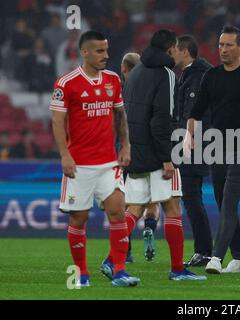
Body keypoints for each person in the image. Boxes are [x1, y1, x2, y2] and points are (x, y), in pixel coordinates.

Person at [184, 25, 240, 274]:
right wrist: (188, 137)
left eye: (229, 45)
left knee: (229, 199)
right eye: (220, 45)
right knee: (223, 201)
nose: (223, 49)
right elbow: (196, 112)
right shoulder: (211, 76)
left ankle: (216, 257)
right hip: (218, 147)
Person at [50, 30, 140, 287]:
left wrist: (126, 146)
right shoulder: (66, 83)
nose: (106, 55)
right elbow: (57, 121)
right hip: (79, 165)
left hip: (108, 163)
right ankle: (82, 274)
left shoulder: (112, 80)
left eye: (106, 50)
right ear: (85, 52)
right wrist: (64, 155)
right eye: (99, 51)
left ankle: (120, 271)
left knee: (118, 212)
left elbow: (120, 115)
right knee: (79, 218)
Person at [118, 29, 206, 281]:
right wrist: (167, 157)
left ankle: (112, 260)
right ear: (169, 49)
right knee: (172, 206)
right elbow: (162, 120)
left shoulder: (135, 73)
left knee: (135, 208)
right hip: (157, 153)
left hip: (135, 150)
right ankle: (178, 269)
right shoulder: (166, 74)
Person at [172, 34, 214, 267]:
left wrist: (185, 144)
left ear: (185, 52)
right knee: (192, 197)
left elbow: (192, 114)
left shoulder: (196, 76)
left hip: (193, 145)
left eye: (176, 50)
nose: (173, 54)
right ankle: (204, 249)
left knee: (191, 197)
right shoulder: (192, 74)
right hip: (193, 144)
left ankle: (204, 250)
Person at [120, 52, 160, 263]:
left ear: (124, 69)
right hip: (148, 154)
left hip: (121, 155)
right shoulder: (151, 90)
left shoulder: (116, 91)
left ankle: (124, 250)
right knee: (152, 200)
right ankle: (150, 227)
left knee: (126, 206)